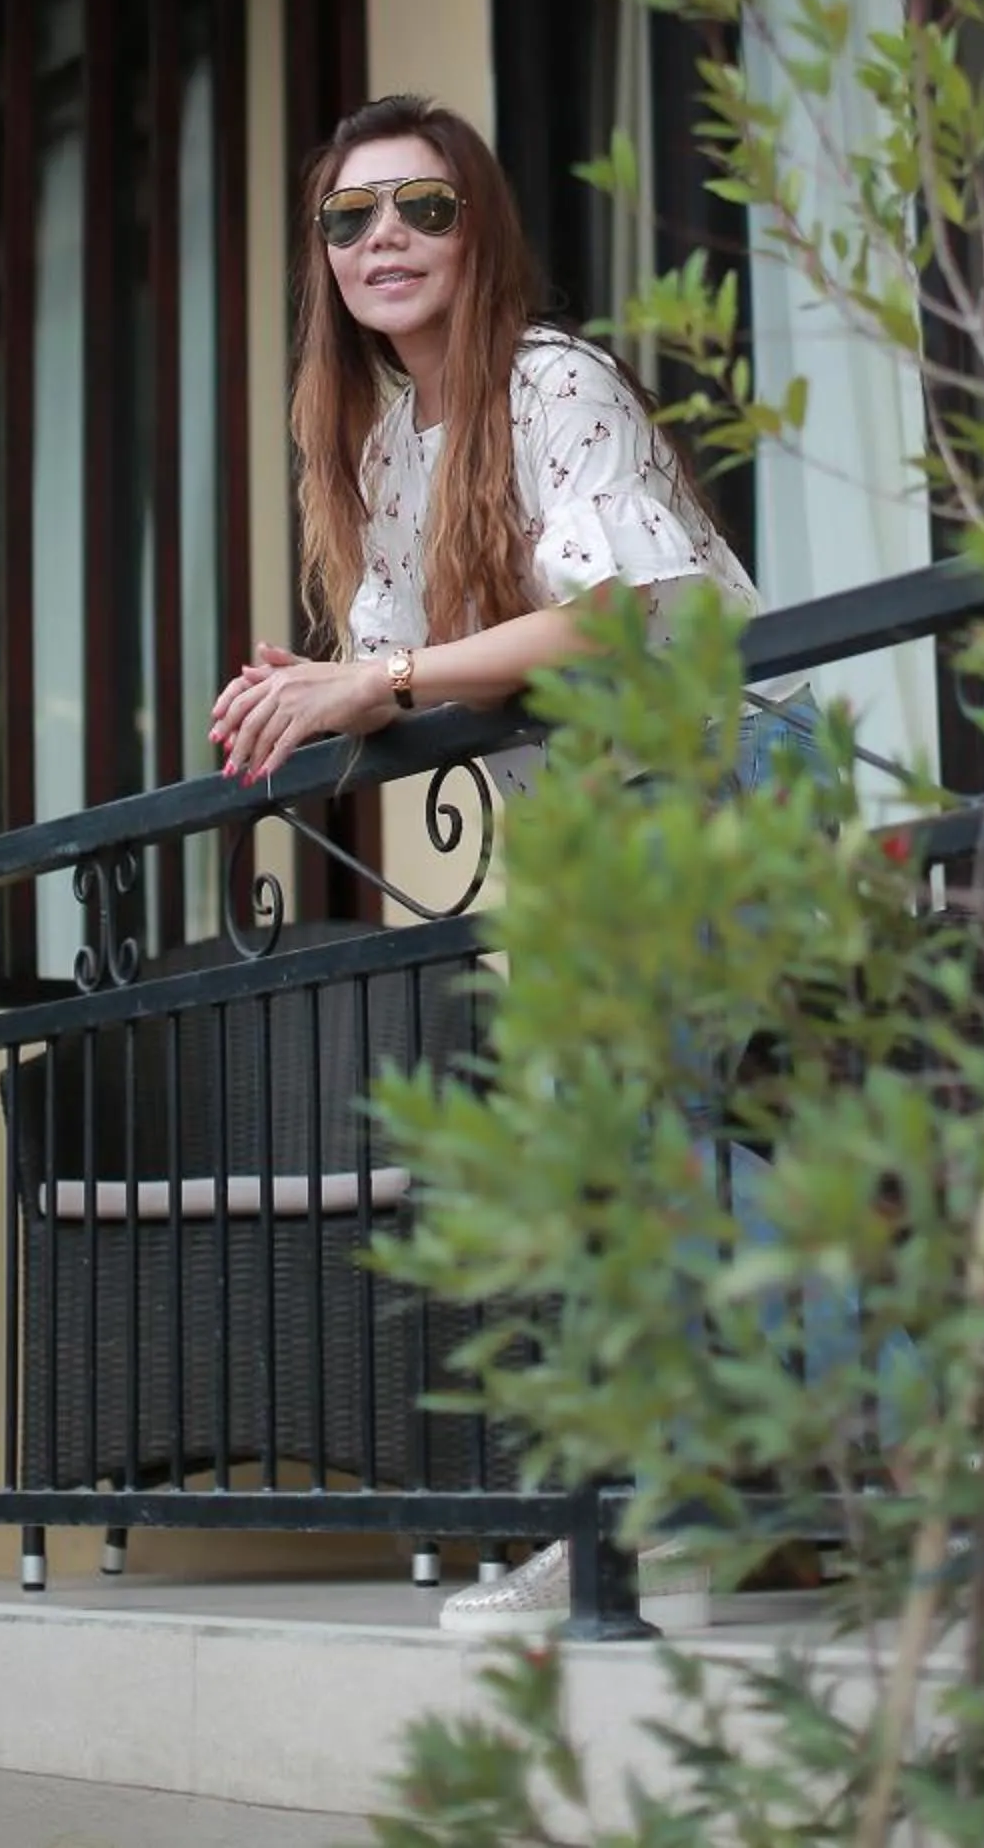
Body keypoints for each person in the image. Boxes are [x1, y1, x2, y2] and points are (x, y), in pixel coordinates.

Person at [209, 94, 811, 1630]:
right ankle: (667, 1513)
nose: (385, 239)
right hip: (599, 820)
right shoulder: (381, 449)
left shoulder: (551, 380)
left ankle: (888, 1410)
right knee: (616, 1148)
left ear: (479, 230)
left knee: (631, 1142)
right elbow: (404, 668)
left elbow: (615, 615)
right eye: (351, 218)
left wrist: (383, 679)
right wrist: (325, 688)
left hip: (711, 770)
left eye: (423, 207)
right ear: (323, 255)